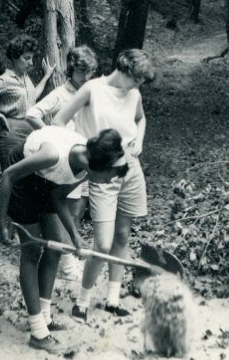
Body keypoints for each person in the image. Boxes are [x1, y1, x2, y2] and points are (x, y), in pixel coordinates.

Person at [0, 125, 128, 352]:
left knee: (56, 248)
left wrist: (76, 237)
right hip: (23, 179)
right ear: (96, 165)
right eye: (109, 177)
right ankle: (38, 332)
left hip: (47, 182)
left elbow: (58, 198)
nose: (108, 183)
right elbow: (8, 175)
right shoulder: (52, 154)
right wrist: (3, 221)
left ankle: (46, 318)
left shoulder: (86, 168)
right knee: (31, 252)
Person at [52, 49, 155, 322]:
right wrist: (80, 153)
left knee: (122, 236)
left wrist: (140, 140)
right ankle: (82, 301)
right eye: (136, 80)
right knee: (103, 243)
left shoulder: (134, 94)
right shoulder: (92, 89)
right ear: (123, 69)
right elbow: (58, 121)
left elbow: (140, 118)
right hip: (102, 172)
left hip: (130, 168)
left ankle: (112, 298)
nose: (137, 86)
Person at [25, 45, 99, 282]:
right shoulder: (61, 93)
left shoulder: (92, 93)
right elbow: (32, 113)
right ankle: (67, 265)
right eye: (81, 72)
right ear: (71, 70)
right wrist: (51, 136)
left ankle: (67, 257)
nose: (85, 77)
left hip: (86, 160)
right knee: (65, 209)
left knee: (78, 209)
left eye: (90, 72)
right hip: (64, 161)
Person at [0, 34, 55, 168]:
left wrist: (47, 76)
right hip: (10, 133)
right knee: (11, 175)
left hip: (30, 131)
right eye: (26, 58)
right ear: (15, 57)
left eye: (32, 58)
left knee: (26, 178)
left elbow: (33, 96)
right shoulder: (5, 80)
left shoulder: (26, 78)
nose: (31, 63)